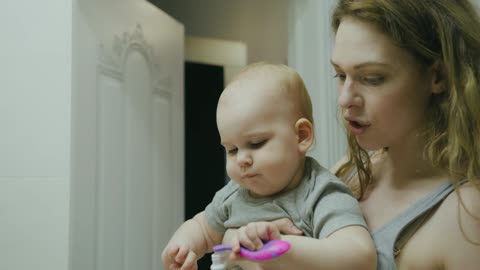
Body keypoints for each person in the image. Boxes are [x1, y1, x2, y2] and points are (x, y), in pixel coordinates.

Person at [222, 1, 480, 269]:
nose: (345, 99)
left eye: (372, 78)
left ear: (438, 76)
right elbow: (228, 233)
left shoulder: (467, 214)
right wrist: (249, 238)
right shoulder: (349, 173)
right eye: (340, 74)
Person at [161, 62, 376, 270]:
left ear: (301, 136)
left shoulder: (321, 193)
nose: (241, 159)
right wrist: (181, 247)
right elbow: (202, 229)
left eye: (256, 143)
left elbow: (360, 257)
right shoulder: (233, 196)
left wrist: (280, 246)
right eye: (232, 149)